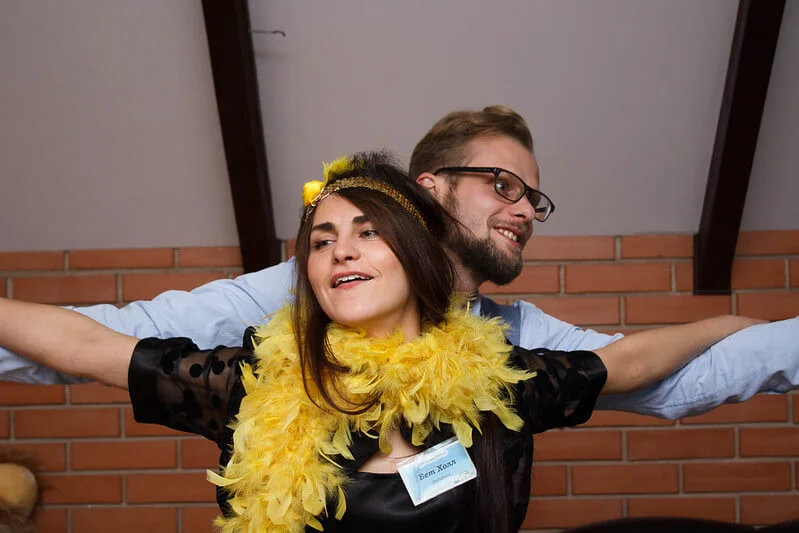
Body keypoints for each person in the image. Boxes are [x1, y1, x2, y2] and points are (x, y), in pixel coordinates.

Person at [0, 153, 763, 532]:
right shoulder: (252, 382)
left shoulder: (496, 380)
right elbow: (85, 344)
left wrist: (722, 325)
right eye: (322, 239)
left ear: (418, 255)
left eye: (367, 232)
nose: (340, 249)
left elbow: (623, 361)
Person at [1, 106, 797, 419]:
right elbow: (102, 342)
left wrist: (723, 323)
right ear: (429, 189)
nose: (525, 209)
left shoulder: (511, 346)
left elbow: (640, 371)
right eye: (502, 185)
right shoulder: (305, 292)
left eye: (533, 198)